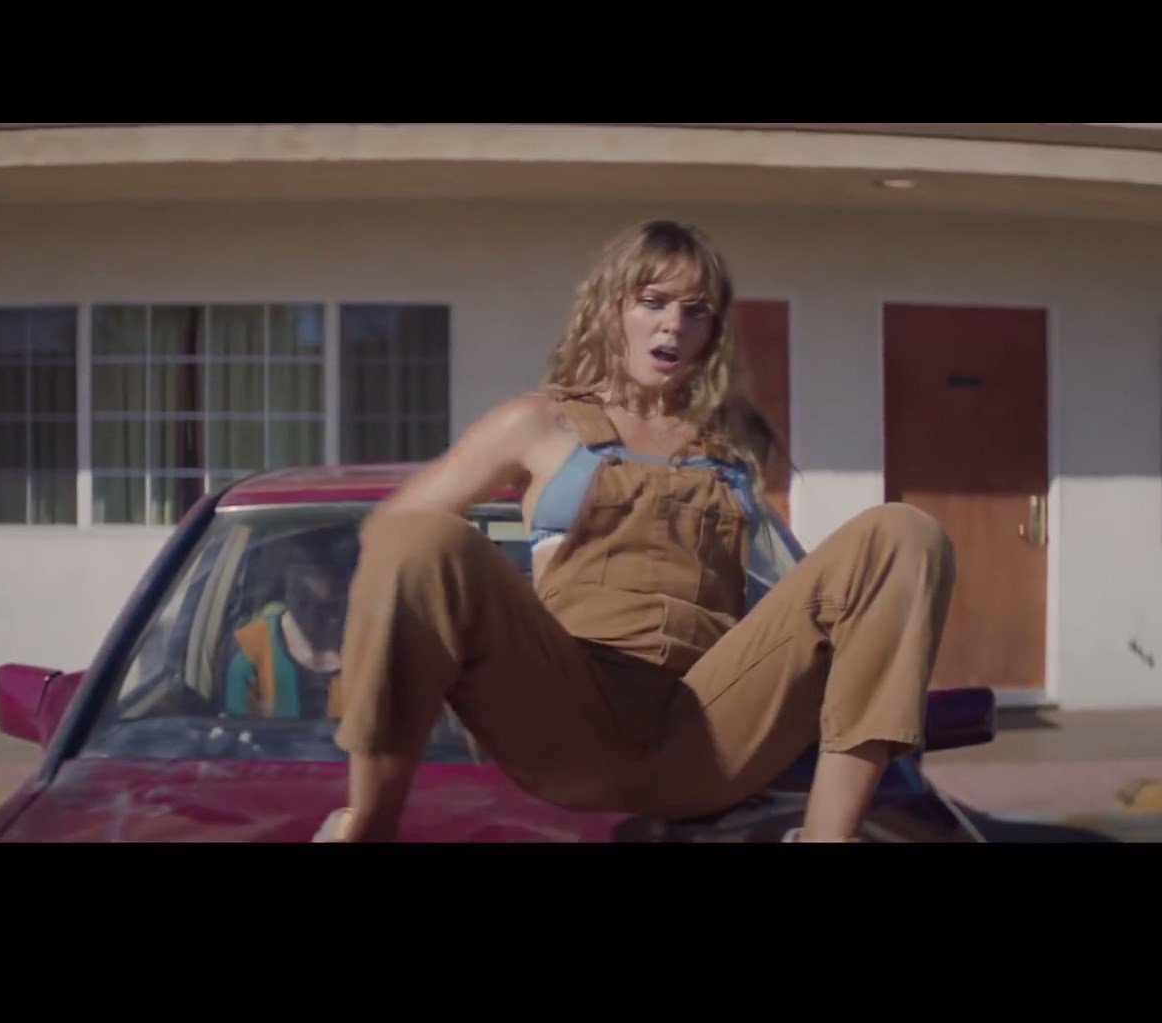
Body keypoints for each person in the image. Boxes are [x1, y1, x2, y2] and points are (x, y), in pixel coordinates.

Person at [315, 219, 956, 843]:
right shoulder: (538, 423)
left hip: (710, 726)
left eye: (695, 311)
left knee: (902, 534)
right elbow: (392, 533)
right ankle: (369, 825)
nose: (673, 323)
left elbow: (803, 596)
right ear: (611, 308)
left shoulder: (733, 443)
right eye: (653, 301)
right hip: (571, 717)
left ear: (712, 333)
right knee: (418, 538)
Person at [223, 529, 352, 720]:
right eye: (303, 602)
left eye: (327, 609)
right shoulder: (251, 651)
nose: (311, 619)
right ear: (287, 589)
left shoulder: (376, 652)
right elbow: (234, 732)